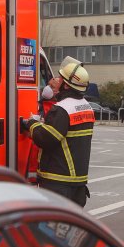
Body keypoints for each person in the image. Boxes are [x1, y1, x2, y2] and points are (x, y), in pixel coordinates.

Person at [25, 57, 94, 207]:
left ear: (67, 85)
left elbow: (47, 138)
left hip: (58, 180)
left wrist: (31, 124)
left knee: (53, 221)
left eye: (61, 78)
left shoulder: (62, 109)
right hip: (78, 182)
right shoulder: (86, 106)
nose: (57, 80)